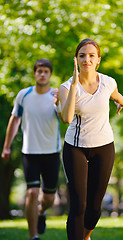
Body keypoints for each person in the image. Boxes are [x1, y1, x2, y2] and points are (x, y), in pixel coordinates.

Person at [59, 38, 123, 240]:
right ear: (76, 60)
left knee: (95, 208)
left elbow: (117, 95)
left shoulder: (108, 82)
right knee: (79, 204)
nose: (86, 59)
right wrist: (73, 84)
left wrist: (120, 102)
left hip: (104, 146)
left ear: (98, 60)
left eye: (91, 56)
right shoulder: (66, 87)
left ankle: (86, 236)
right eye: (82, 55)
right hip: (76, 148)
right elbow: (66, 118)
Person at [1, 58, 61, 240]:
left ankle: (42, 211)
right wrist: (6, 147)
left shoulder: (56, 95)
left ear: (50, 75)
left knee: (49, 198)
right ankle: (33, 236)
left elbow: (65, 117)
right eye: (39, 71)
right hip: (30, 152)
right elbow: (15, 120)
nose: (42, 74)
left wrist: (60, 101)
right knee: (32, 192)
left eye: (46, 71)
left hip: (52, 152)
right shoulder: (23, 95)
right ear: (35, 73)